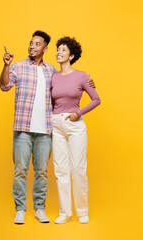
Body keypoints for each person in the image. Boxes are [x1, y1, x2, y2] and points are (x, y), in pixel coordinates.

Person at [0, 31, 95, 224]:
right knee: (21, 170)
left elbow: (71, 84)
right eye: (31, 43)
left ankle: (40, 209)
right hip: (24, 127)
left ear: (45, 48)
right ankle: (20, 209)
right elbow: (5, 85)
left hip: (45, 129)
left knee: (43, 171)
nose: (32, 46)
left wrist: (87, 82)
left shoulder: (51, 71)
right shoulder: (18, 66)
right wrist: (6, 65)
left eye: (37, 44)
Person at [51, 36, 101, 224]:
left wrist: (78, 113)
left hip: (74, 124)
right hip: (56, 124)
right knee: (60, 169)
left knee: (78, 168)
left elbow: (96, 99)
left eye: (63, 50)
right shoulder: (52, 76)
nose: (58, 52)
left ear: (71, 55)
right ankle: (65, 213)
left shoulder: (82, 76)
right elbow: (49, 101)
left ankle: (82, 211)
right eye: (58, 49)